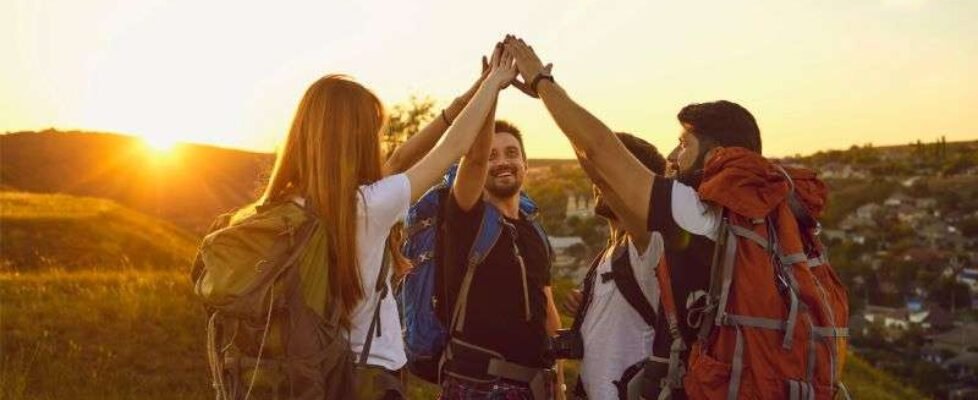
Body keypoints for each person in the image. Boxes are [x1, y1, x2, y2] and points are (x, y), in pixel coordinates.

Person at [247, 43, 519, 399]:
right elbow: (451, 151)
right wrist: (494, 83)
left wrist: (470, 95)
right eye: (372, 131)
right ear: (355, 139)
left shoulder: (286, 205)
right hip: (370, 374)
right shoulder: (367, 207)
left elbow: (404, 156)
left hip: (315, 371)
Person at [437, 115, 564, 397]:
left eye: (511, 153)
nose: (503, 162)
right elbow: (474, 162)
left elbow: (547, 306)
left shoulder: (533, 231)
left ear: (525, 165)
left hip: (532, 388)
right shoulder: (467, 219)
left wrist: (559, 384)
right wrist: (492, 86)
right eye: (491, 156)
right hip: (478, 386)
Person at [561, 133, 669, 399]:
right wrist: (591, 306)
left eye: (610, 175)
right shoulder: (609, 252)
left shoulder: (647, 244)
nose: (600, 182)